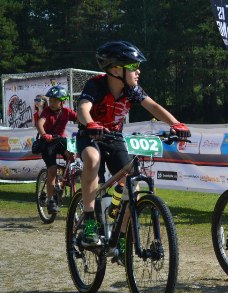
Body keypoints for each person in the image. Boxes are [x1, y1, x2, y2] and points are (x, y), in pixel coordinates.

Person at [77, 40, 190, 252]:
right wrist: (90, 123)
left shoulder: (132, 90)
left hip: (114, 137)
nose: (138, 71)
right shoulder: (96, 85)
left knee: (133, 184)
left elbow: (153, 106)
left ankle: (121, 236)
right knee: (92, 158)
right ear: (115, 70)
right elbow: (83, 107)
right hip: (90, 135)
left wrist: (176, 124)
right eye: (133, 67)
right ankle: (89, 221)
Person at [35, 86, 78, 214]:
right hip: (47, 142)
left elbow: (80, 118)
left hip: (60, 141)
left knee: (72, 157)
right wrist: (44, 134)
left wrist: (89, 125)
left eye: (55, 100)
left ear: (63, 102)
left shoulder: (67, 112)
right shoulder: (47, 111)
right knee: (52, 170)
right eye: (51, 100)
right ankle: (50, 200)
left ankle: (63, 180)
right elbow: (40, 123)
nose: (52, 103)